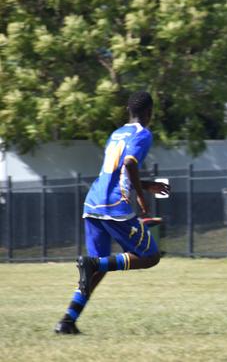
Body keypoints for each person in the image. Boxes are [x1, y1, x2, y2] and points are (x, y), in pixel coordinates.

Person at [54, 91, 170, 334]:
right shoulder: (143, 134)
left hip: (94, 203)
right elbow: (129, 164)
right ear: (149, 112)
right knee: (150, 256)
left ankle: (67, 321)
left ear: (128, 111)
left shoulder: (117, 133)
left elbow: (118, 170)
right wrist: (140, 195)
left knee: (97, 269)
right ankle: (91, 264)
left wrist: (147, 185)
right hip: (115, 207)